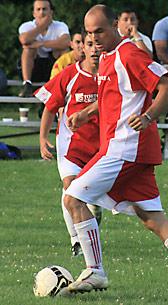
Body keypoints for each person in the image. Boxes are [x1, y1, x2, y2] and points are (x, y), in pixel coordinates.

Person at [63, 5, 168, 300]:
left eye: (100, 31)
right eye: (89, 33)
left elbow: (166, 89)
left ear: (115, 27)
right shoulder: (107, 57)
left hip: (124, 148)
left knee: (72, 197)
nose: (94, 38)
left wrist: (148, 118)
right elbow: (118, 98)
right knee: (151, 217)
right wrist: (86, 114)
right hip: (132, 151)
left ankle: (95, 270)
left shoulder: (129, 53)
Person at [35, 31, 102, 257]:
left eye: (96, 44)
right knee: (70, 188)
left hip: (101, 145)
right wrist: (43, 137)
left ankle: (92, 214)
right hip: (70, 144)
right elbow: (50, 106)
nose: (93, 49)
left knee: (87, 197)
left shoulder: (110, 75)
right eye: (88, 44)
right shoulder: (70, 74)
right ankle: (76, 240)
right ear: (81, 47)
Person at [18, 0, 70, 97]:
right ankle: (27, 84)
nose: (42, 12)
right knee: (28, 49)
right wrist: (43, 26)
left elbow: (66, 42)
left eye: (44, 9)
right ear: (34, 13)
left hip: (52, 67)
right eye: (38, 9)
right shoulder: (26, 26)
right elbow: (24, 40)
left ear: (51, 12)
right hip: (33, 68)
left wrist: (40, 44)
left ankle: (62, 85)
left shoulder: (60, 26)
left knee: (63, 50)